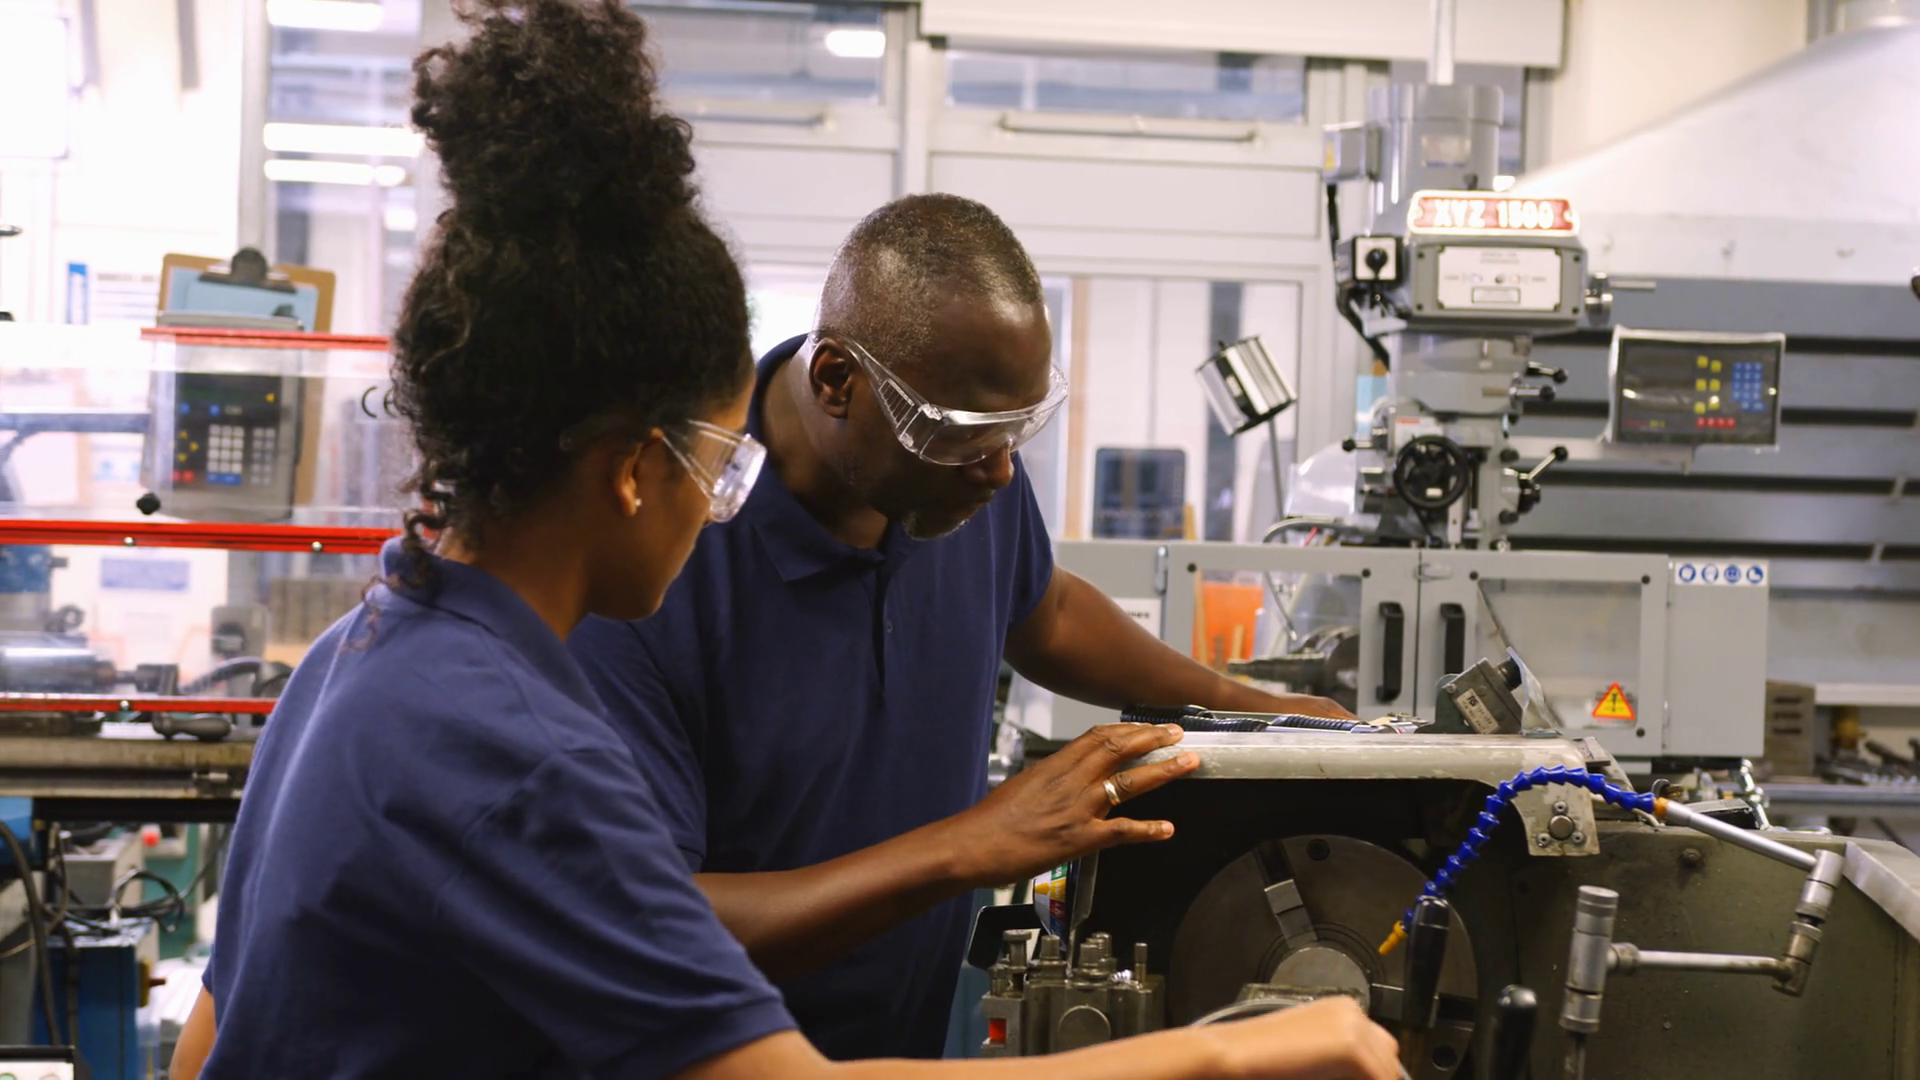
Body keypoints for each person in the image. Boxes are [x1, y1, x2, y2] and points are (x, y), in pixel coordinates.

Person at [167, 2, 1401, 1078]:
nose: (725, 497)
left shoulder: (351, 665)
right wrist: (1232, 1050)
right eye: (718, 461)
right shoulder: (524, 754)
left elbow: (210, 1043)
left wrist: (1249, 710)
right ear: (633, 470)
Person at [566, 192, 1359, 1061]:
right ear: (836, 381)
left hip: (902, 1044)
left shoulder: (959, 471)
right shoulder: (657, 563)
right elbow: (646, 926)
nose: (1000, 471)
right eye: (966, 434)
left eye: (1019, 427)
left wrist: (1251, 709)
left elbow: (1045, 609)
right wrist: (970, 846)